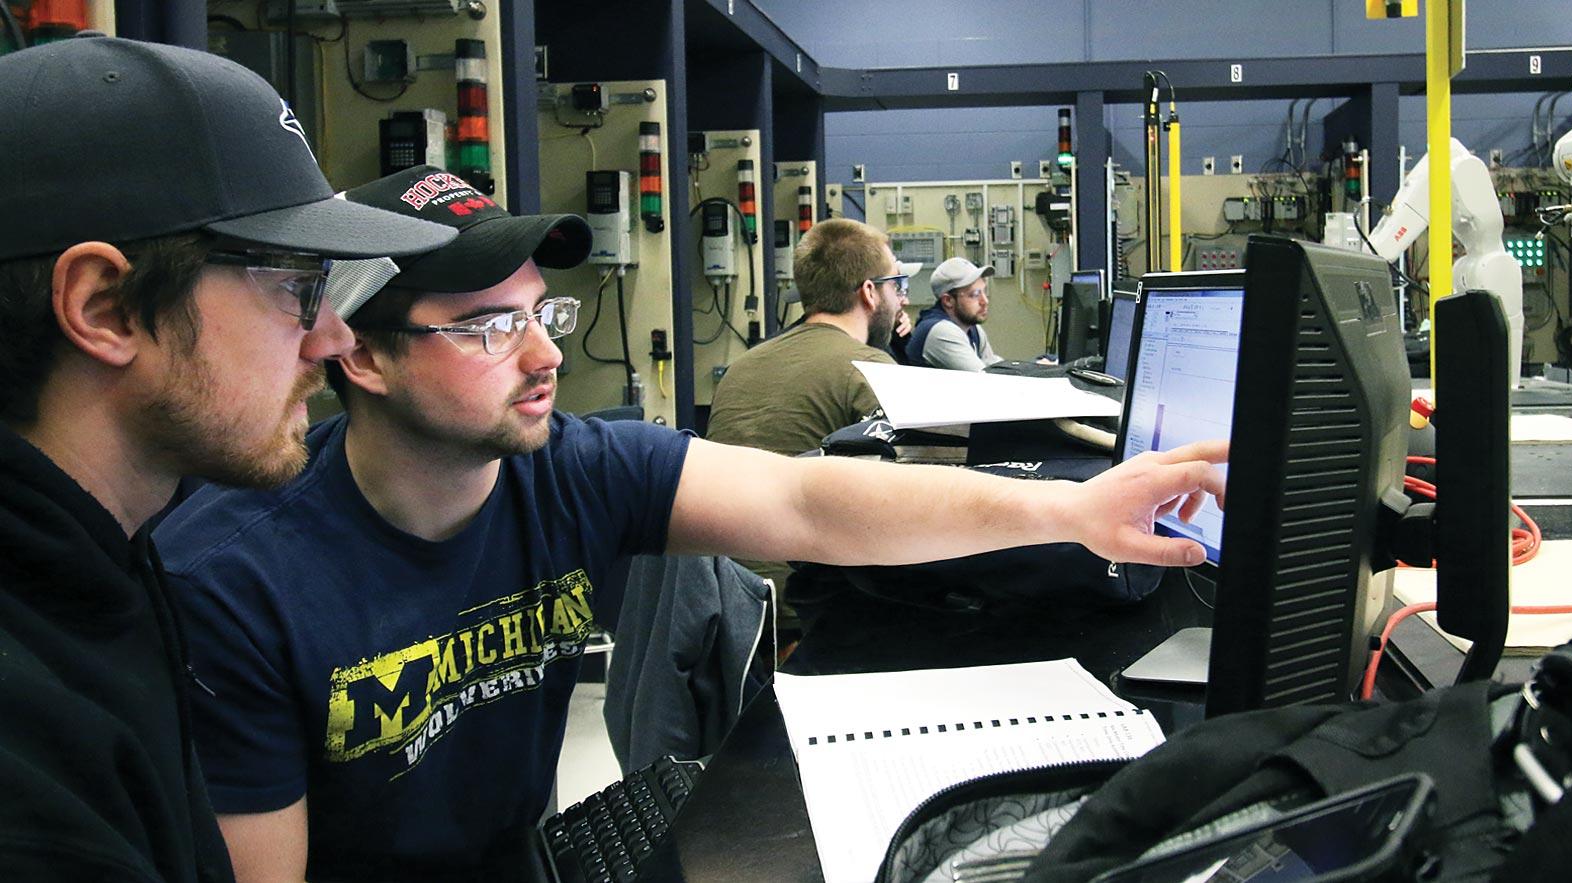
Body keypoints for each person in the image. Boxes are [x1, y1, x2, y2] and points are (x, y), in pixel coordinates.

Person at [156, 165, 1226, 882]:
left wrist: (1075, 508)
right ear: (361, 354)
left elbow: (808, 500)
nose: (545, 358)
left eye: (541, 314)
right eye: (488, 327)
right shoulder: (238, 582)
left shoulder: (566, 471)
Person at [0, 38, 454, 882]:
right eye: (296, 286)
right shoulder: (23, 749)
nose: (336, 338)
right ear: (106, 308)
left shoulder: (103, 567)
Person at [707, 217, 905, 456]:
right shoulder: (871, 369)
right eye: (896, 285)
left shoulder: (739, 368)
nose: (901, 300)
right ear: (869, 292)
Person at [906, 256, 1004, 371]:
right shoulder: (940, 332)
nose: (985, 301)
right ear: (948, 301)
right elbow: (987, 381)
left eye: (984, 291)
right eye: (975, 295)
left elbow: (996, 368)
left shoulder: (973, 328)